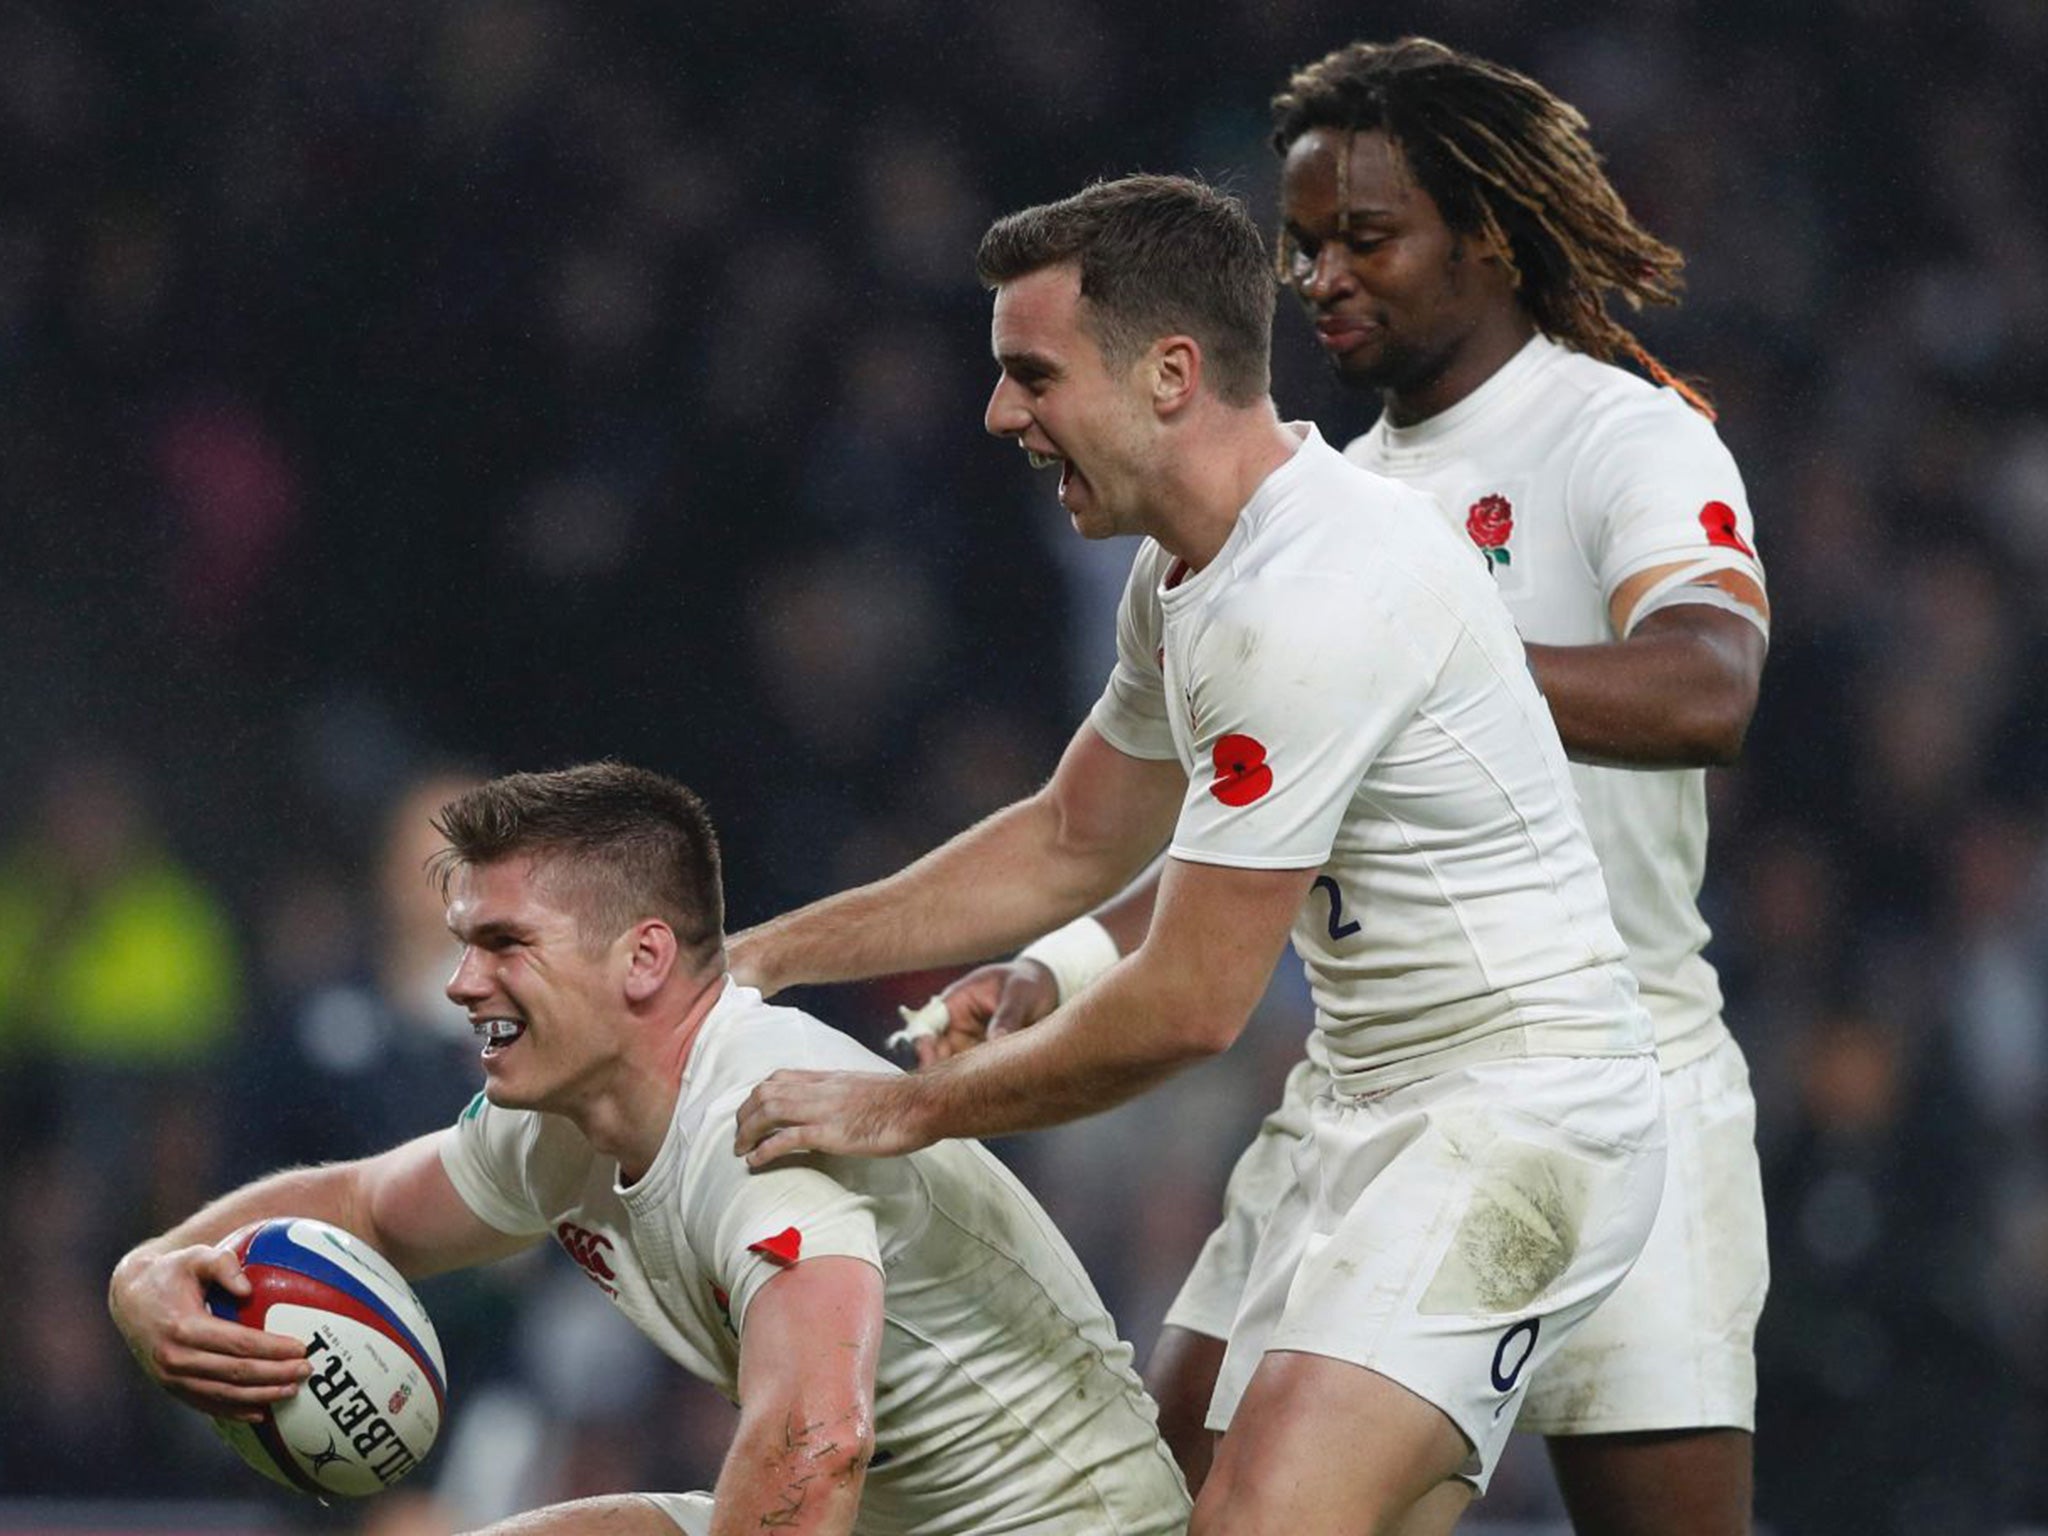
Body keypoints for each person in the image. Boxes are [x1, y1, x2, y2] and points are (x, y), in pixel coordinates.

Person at [918, 38, 1774, 1536]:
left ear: (1487, 235)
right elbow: (1248, 833)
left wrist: (1420, 655)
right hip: (1368, 1100)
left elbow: (1709, 684)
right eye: (1303, 246)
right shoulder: (1310, 501)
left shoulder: (1620, 432)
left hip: (1614, 1072)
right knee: (1164, 1499)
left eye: (1365, 239)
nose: (1321, 276)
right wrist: (1056, 964)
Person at [728, 174, 1667, 1536]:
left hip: (1524, 1117)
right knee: (1145, 1502)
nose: (1001, 415)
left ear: (1170, 374)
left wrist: (904, 1109)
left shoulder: (1315, 597)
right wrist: (768, 957)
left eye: (1030, 374)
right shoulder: (1186, 576)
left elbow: (1190, 1006)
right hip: (1363, 1103)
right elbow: (1074, 838)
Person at [107, 762, 1190, 1536]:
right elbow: (369, 1208)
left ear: (642, 959)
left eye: (504, 946)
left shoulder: (759, 1115)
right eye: (461, 945)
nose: (460, 984)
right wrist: (148, 1272)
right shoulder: (557, 1119)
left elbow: (815, 1450)